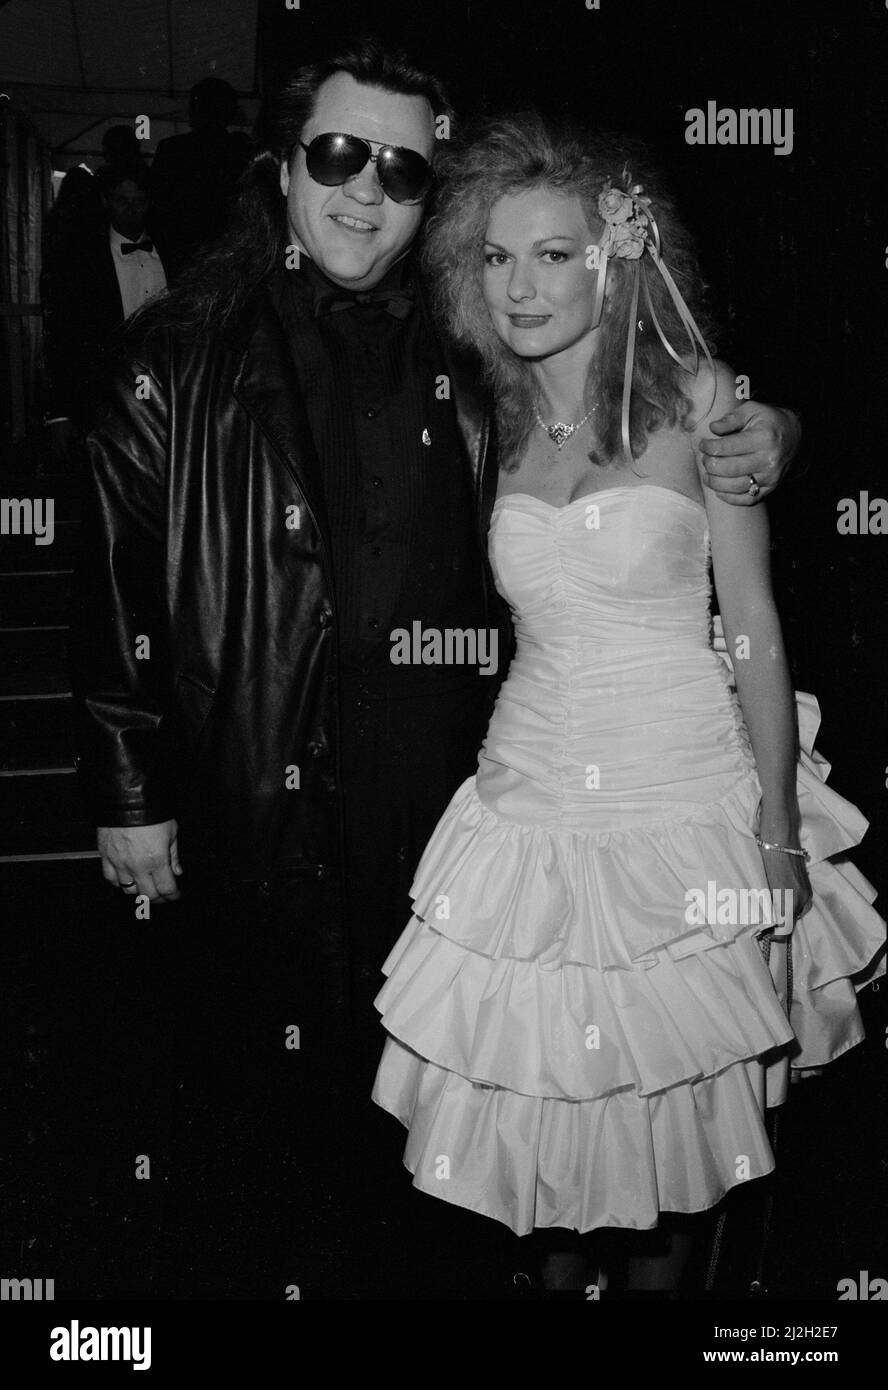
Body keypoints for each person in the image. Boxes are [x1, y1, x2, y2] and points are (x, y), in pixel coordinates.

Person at [70, 41, 801, 1297]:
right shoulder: (176, 354)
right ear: (284, 164)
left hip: (441, 798)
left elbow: (657, 425)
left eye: (403, 169)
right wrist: (130, 792)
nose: (366, 190)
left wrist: (773, 430)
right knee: (271, 1113)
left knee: (462, 1124)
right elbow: (114, 577)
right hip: (263, 783)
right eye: (339, 155)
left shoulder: (474, 362)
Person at [370, 113, 886, 1298]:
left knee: (676, 1166)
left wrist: (771, 829)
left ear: (617, 256)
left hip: (682, 806)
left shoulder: (704, 401)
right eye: (496, 257)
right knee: (544, 1160)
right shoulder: (483, 419)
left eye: (554, 253)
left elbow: (753, 625)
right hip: (529, 810)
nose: (520, 284)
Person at [41, 160, 166, 468]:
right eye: (123, 200)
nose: (131, 209)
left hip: (166, 400)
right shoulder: (81, 259)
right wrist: (59, 413)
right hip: (104, 404)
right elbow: (61, 337)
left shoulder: (175, 253)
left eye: (139, 201)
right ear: (106, 202)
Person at [148, 76, 251, 280]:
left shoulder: (173, 149)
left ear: (197, 109)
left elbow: (157, 208)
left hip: (183, 258)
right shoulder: (241, 150)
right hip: (229, 259)